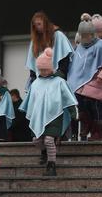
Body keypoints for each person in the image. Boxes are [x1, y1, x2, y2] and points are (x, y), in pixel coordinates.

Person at [19, 48, 78, 176]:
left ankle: (51, 165)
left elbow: (68, 98)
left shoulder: (60, 82)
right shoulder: (35, 83)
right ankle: (45, 152)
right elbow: (31, 100)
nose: (43, 72)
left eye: (45, 69)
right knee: (37, 140)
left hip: (55, 116)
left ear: (52, 68)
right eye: (41, 70)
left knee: (49, 140)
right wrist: (28, 113)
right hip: (39, 117)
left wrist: (73, 112)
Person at [67, 14, 102, 140]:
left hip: (97, 83)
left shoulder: (101, 45)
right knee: (81, 105)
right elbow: (76, 65)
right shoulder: (79, 47)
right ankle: (86, 125)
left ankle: (97, 132)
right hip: (81, 84)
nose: (84, 39)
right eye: (82, 36)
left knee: (96, 108)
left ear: (92, 34)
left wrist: (101, 77)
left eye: (86, 36)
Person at [25, 11, 73, 83]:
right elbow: (32, 65)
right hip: (40, 80)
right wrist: (34, 78)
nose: (37, 27)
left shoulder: (58, 35)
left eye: (39, 24)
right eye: (35, 25)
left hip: (57, 78)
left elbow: (65, 57)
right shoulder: (34, 41)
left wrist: (61, 74)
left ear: (45, 23)